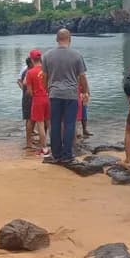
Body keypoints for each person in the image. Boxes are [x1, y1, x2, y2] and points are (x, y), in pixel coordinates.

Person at [42, 29, 89, 164]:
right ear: (70, 39)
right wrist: (84, 92)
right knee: (69, 124)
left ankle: (56, 154)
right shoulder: (77, 55)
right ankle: (67, 154)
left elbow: (45, 77)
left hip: (54, 93)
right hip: (71, 94)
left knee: (55, 124)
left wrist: (47, 90)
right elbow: (82, 77)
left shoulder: (47, 56)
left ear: (57, 39)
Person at [23, 49, 50, 155]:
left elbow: (29, 91)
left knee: (40, 124)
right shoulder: (47, 70)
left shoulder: (30, 72)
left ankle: (44, 148)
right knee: (49, 122)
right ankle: (56, 144)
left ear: (31, 59)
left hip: (38, 99)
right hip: (48, 97)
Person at [18, 56, 34, 148]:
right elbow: (23, 82)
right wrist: (28, 91)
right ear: (31, 63)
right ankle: (29, 142)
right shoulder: (28, 72)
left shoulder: (28, 71)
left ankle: (30, 140)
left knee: (32, 119)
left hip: (28, 96)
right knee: (30, 119)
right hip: (29, 98)